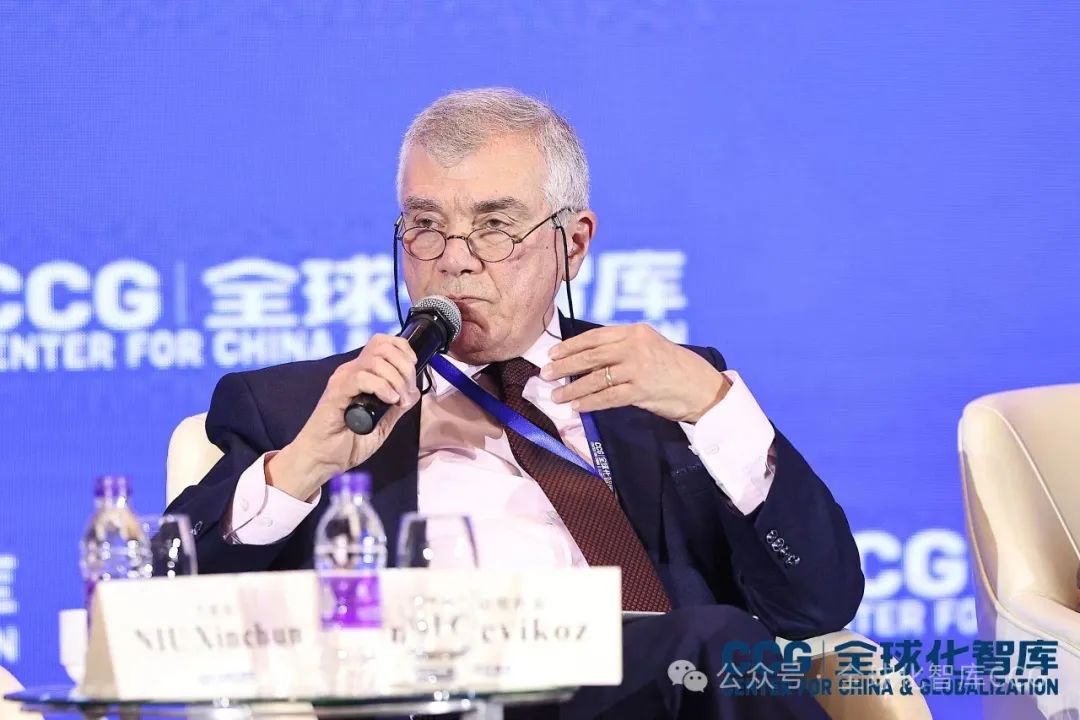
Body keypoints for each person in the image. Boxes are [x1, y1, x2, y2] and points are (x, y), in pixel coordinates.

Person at [168, 88, 864, 719]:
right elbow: (164, 604)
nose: (454, 259)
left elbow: (817, 605)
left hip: (659, 694)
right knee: (712, 644)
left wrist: (715, 408)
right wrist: (302, 465)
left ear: (573, 244)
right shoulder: (310, 406)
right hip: (438, 699)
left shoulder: (662, 386)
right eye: (425, 225)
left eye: (495, 226)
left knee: (716, 648)